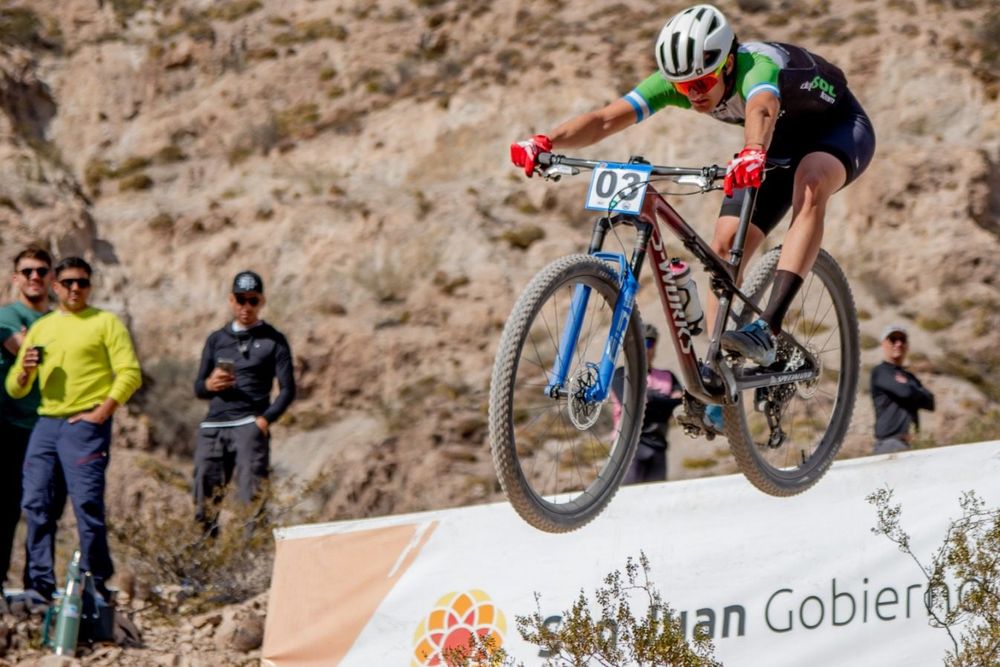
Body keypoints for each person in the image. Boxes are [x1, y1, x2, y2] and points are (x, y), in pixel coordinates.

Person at [510, 4, 876, 432]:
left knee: (810, 182)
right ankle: (718, 367)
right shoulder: (679, 84)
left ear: (727, 63)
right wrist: (544, 141)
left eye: (702, 83)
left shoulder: (756, 66)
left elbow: (761, 108)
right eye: (683, 88)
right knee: (721, 249)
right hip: (772, 144)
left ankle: (769, 327)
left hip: (837, 130)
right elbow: (606, 119)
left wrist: (753, 150)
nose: (694, 95)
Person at [5, 257, 142, 607]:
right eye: (67, 282)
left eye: (82, 282)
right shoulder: (43, 327)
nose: (75, 288)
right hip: (46, 423)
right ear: (56, 286)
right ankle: (38, 585)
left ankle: (96, 583)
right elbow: (16, 387)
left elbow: (129, 373)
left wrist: (101, 412)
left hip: (85, 425)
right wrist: (23, 374)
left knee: (86, 504)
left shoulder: (105, 322)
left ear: (90, 285)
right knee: (36, 504)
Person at [192, 271, 295, 535]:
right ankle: (203, 560)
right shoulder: (216, 339)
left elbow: (287, 390)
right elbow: (198, 387)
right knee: (205, 494)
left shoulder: (274, 340)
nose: (245, 307)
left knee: (252, 499)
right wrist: (210, 384)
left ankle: (250, 565)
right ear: (231, 300)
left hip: (250, 425)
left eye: (252, 300)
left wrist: (263, 421)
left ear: (261, 301)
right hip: (213, 426)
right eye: (240, 299)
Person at [0, 246, 55, 605]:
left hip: (46, 424)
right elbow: (22, 350)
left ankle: (38, 584)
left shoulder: (57, 320)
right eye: (28, 271)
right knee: (4, 505)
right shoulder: (7, 315)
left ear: (51, 277)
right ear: (16, 277)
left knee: (42, 506)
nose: (35, 277)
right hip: (7, 423)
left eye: (41, 271)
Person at [611, 324, 683, 484]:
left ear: (655, 346)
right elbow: (632, 403)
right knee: (627, 496)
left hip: (659, 444)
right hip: (628, 446)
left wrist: (650, 398)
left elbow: (681, 402)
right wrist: (666, 401)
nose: (645, 348)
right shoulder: (621, 374)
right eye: (639, 343)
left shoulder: (668, 376)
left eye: (649, 343)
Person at [870, 324, 934, 455]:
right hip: (890, 444)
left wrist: (908, 385)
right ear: (884, 344)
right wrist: (913, 389)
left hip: (910, 445)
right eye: (893, 339)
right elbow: (905, 392)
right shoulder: (881, 372)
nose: (898, 344)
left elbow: (930, 402)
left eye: (902, 340)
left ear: (907, 346)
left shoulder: (909, 377)